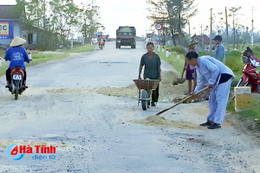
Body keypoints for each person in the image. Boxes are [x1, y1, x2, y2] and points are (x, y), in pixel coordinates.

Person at [186, 52, 235, 129]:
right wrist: (195, 91)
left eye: (188, 61)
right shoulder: (198, 67)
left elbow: (216, 70)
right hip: (216, 80)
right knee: (212, 99)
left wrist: (211, 82)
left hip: (224, 76)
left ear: (193, 59)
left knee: (220, 99)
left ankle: (218, 122)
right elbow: (201, 80)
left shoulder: (204, 60)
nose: (188, 63)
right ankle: (211, 120)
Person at [138, 42, 161, 107]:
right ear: (146, 48)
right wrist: (139, 75)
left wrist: (159, 76)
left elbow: (159, 67)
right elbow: (141, 66)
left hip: (155, 75)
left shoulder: (156, 57)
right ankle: (147, 100)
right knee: (147, 88)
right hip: (147, 75)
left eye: (151, 48)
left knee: (155, 89)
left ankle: (153, 101)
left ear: (153, 48)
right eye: (148, 48)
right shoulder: (144, 57)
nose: (149, 49)